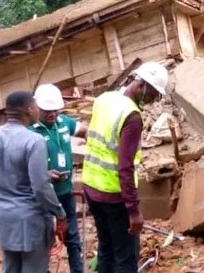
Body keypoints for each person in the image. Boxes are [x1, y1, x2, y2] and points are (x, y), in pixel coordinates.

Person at [0, 91, 67, 273]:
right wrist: (59, 213)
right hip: (31, 219)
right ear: (28, 110)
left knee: (11, 268)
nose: (37, 111)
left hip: (5, 218)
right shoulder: (34, 141)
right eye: (35, 107)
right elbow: (40, 187)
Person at [82, 62, 168, 273]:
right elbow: (125, 167)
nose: (154, 100)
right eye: (154, 94)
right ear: (142, 85)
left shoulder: (104, 99)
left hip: (91, 187)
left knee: (106, 249)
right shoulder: (132, 117)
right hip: (114, 196)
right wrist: (134, 211)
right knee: (126, 258)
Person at [30, 84, 88, 273]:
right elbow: (22, 166)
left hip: (65, 191)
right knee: (45, 240)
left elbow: (83, 129)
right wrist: (45, 174)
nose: (52, 114)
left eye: (55, 110)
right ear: (36, 107)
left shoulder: (63, 122)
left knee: (72, 236)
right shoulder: (30, 131)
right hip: (43, 198)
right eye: (47, 111)